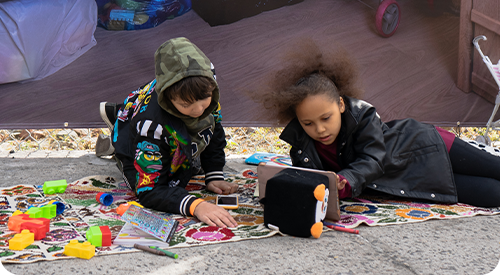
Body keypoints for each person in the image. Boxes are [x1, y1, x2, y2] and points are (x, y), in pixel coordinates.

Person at [260, 38, 500, 208]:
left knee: (493, 168)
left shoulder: (363, 117)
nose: (319, 129)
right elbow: (311, 185)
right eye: (308, 123)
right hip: (412, 177)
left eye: (326, 118)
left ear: (341, 105)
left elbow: (373, 160)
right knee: (492, 193)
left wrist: (345, 179)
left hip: (426, 146)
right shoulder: (301, 144)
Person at [98, 37, 238, 228]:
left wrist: (214, 173)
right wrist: (196, 206)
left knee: (189, 161)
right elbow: (149, 190)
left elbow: (214, 132)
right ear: (168, 97)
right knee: (152, 179)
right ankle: (121, 129)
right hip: (146, 134)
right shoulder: (151, 125)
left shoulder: (205, 93)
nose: (199, 110)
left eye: (204, 99)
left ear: (211, 85)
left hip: (169, 126)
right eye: (186, 104)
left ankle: (124, 113)